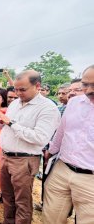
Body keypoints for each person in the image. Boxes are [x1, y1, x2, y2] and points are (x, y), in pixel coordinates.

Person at [0, 70, 60, 224]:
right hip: (6, 156)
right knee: (8, 197)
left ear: (37, 86)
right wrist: (1, 122)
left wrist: (10, 123)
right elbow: (7, 124)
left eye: (22, 89)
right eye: (16, 89)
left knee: (22, 201)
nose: (17, 93)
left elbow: (40, 137)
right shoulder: (16, 102)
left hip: (24, 160)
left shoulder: (47, 108)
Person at [42, 65, 94, 224]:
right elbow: (62, 132)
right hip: (62, 169)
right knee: (51, 218)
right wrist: (50, 152)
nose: (89, 90)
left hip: (90, 179)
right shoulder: (74, 103)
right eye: (85, 84)